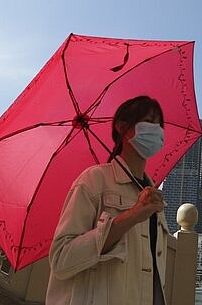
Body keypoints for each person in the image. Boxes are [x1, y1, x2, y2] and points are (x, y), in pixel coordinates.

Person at [46, 96, 168, 305]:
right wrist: (131, 216)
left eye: (159, 125)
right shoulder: (93, 181)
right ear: (122, 127)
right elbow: (61, 259)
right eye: (148, 121)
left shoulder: (153, 197)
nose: (156, 130)